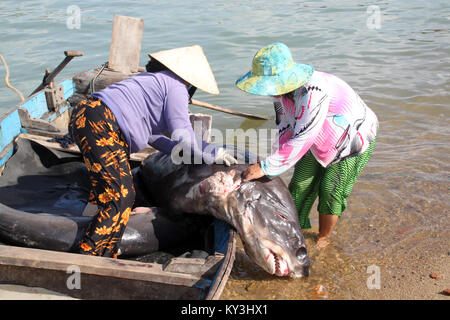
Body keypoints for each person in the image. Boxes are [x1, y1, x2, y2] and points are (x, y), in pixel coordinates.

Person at [69, 45, 237, 257]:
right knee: (120, 197)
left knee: (113, 192)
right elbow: (182, 134)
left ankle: (104, 248)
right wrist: (214, 153)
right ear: (190, 80)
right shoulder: (176, 86)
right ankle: (88, 255)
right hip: (101, 123)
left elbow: (152, 137)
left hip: (88, 117)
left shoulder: (156, 82)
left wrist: (179, 152)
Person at [236, 43, 378, 248]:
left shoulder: (313, 91)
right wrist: (269, 163)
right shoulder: (281, 95)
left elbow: (303, 137)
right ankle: (297, 231)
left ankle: (323, 238)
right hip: (314, 139)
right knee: (300, 184)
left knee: (330, 190)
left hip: (351, 141)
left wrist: (266, 167)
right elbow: (285, 130)